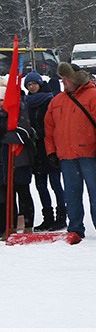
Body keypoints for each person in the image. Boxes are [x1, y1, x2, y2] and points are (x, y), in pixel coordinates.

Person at [44, 62, 96, 240]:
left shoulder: (95, 97)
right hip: (66, 156)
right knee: (71, 195)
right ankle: (75, 227)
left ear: (75, 78)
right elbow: (49, 130)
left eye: (66, 78)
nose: (63, 82)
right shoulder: (56, 101)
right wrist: (51, 152)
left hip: (90, 154)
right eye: (62, 78)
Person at [24, 71, 67, 232]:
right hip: (35, 150)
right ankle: (47, 217)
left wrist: (40, 133)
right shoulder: (27, 102)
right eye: (29, 85)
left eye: (34, 84)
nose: (32, 87)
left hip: (49, 147)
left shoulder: (50, 100)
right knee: (41, 185)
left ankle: (61, 216)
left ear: (40, 84)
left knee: (56, 183)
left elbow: (54, 125)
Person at [0, 78, 36, 236]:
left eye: (2, 99)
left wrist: (5, 136)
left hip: (19, 159)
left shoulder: (19, 109)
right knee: (7, 195)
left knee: (23, 192)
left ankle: (28, 225)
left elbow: (24, 134)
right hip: (3, 162)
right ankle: (10, 225)